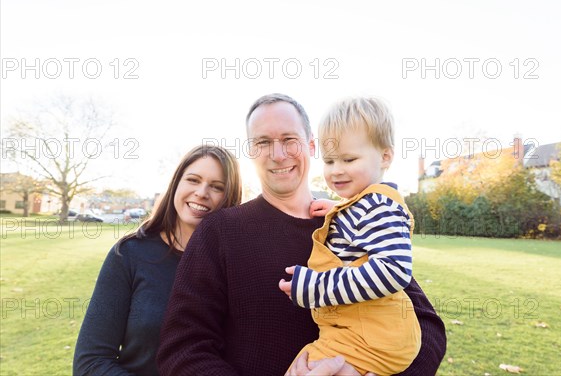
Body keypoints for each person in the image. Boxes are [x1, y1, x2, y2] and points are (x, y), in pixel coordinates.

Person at [157, 94, 446, 376]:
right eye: (263, 142)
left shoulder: (350, 220)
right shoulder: (219, 232)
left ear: (311, 145)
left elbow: (427, 324)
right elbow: (183, 349)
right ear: (250, 152)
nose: (278, 154)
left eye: (289, 140)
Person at [279, 97, 421, 375]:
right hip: (360, 333)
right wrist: (340, 209)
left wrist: (315, 287)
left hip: (370, 338)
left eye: (349, 159)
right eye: (329, 161)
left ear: (385, 156)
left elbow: (394, 271)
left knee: (303, 369)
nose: (336, 170)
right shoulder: (364, 206)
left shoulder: (380, 205)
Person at [73, 145, 242, 375]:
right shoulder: (129, 254)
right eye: (193, 180)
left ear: (230, 197)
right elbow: (90, 362)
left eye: (217, 187)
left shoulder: (239, 265)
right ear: (176, 184)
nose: (202, 192)